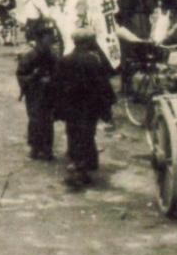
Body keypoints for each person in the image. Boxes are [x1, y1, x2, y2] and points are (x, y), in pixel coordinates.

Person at [53, 28, 116, 188]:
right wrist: (107, 106)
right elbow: (102, 85)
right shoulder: (94, 61)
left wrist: (57, 107)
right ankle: (82, 168)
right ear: (89, 42)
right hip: (89, 106)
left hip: (71, 106)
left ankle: (77, 165)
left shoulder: (65, 60)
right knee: (87, 134)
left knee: (73, 133)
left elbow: (57, 86)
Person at [16, 20, 58, 161]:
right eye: (47, 36)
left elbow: (58, 73)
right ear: (40, 38)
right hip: (34, 92)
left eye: (51, 36)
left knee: (48, 120)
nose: (51, 39)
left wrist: (52, 80)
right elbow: (21, 74)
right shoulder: (30, 56)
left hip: (49, 92)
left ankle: (47, 148)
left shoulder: (52, 56)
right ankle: (35, 147)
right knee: (35, 119)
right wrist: (34, 77)